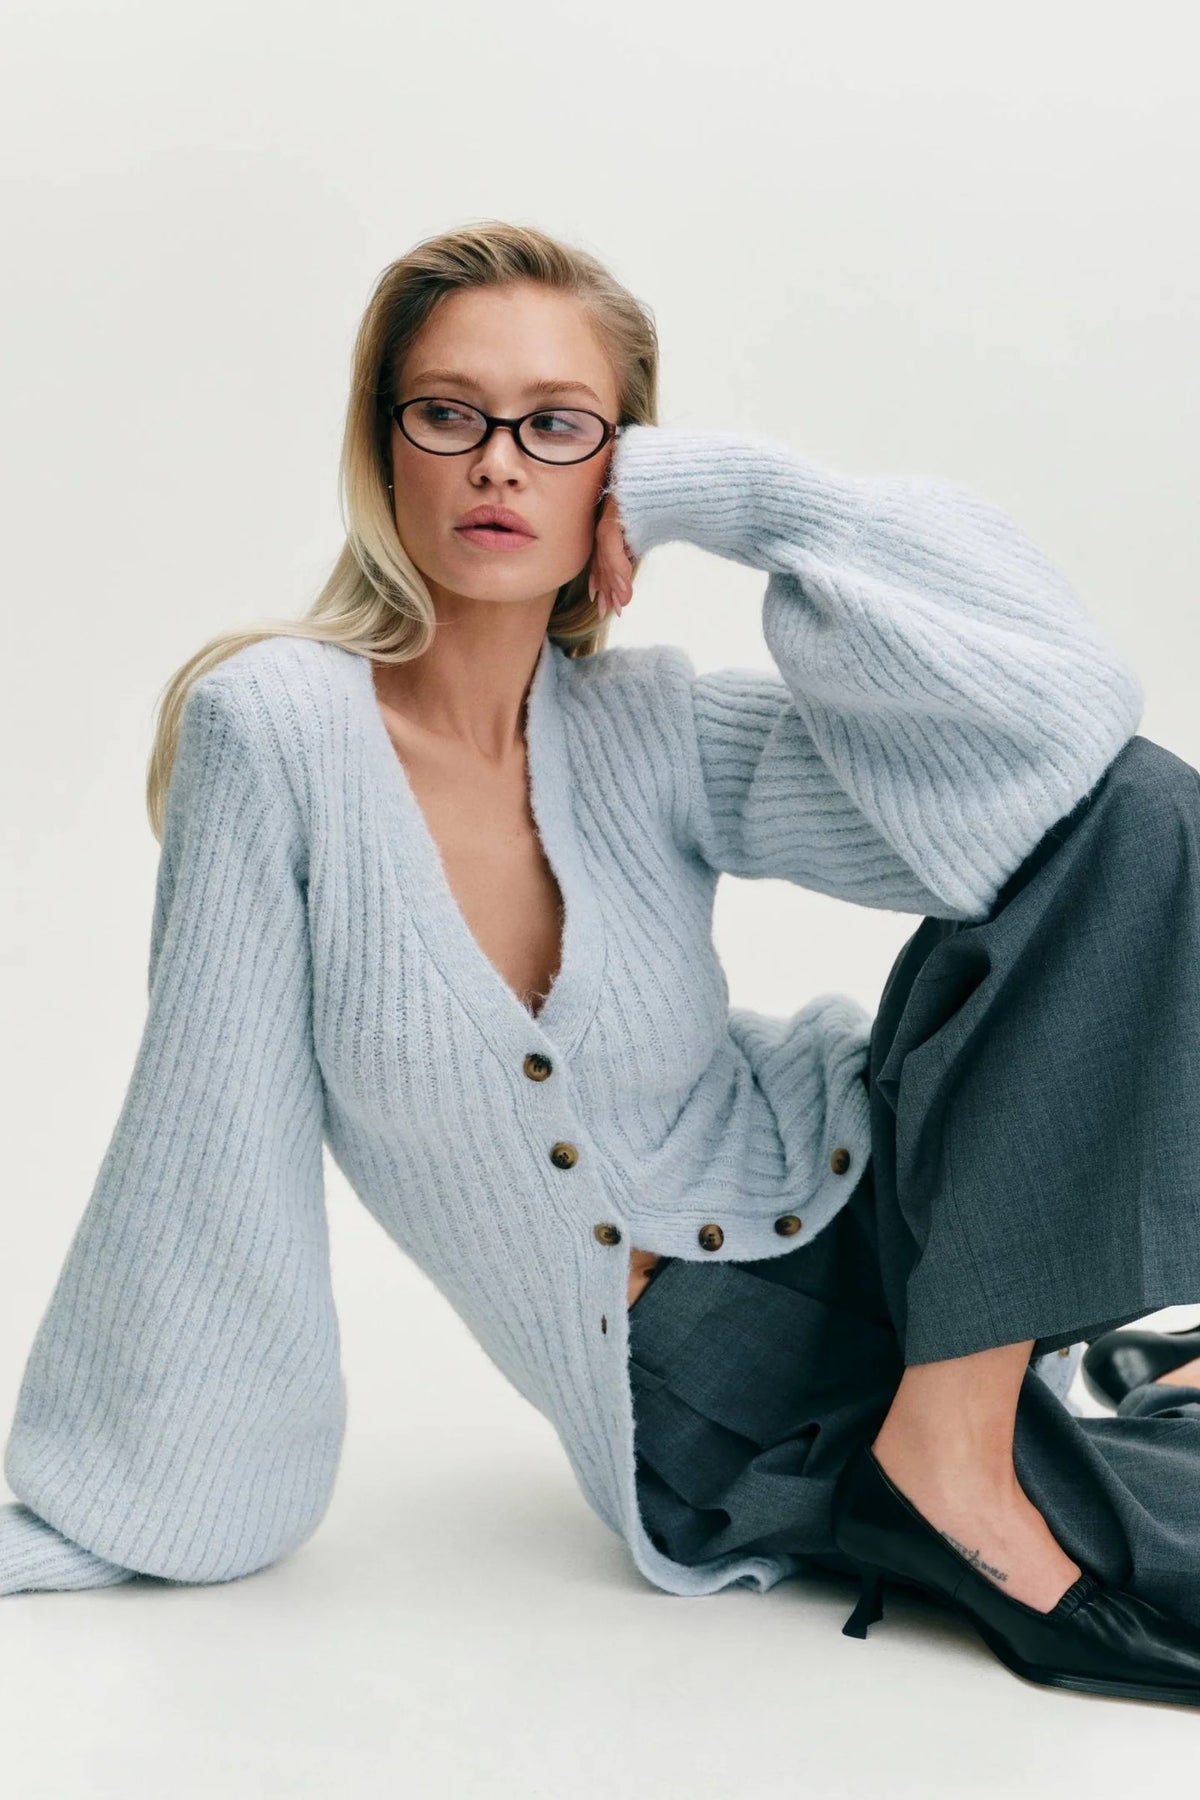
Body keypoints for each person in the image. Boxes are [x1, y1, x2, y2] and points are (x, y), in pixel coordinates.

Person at [5, 218, 1200, 1706]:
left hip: (883, 1199)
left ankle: (971, 1437)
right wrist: (136, 1490)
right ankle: (1076, 1407)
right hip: (708, 1370)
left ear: (621, 469)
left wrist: (740, 499)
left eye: (558, 426)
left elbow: (1067, 750)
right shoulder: (276, 731)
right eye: (449, 413)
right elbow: (208, 1128)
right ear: (383, 447)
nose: (498, 464)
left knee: (1142, 811)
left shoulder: (654, 726)